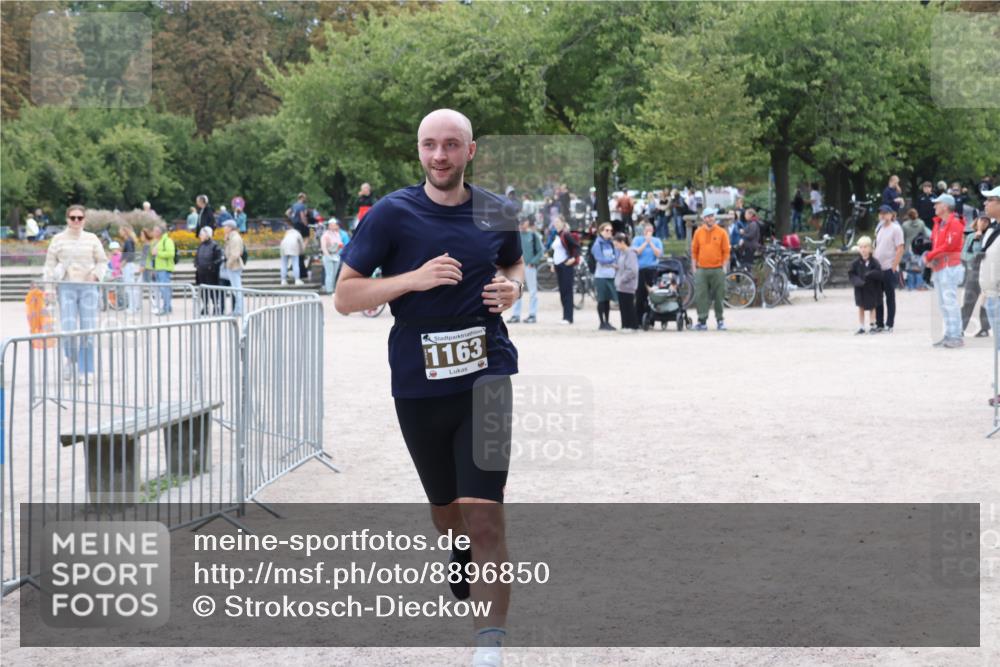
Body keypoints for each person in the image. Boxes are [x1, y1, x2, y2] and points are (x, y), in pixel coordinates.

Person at [334, 109, 523, 667]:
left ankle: (488, 649)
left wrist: (510, 291)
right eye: (429, 145)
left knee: (485, 511)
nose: (439, 155)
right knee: (447, 509)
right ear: (418, 151)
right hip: (419, 387)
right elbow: (345, 297)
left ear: (471, 151)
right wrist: (412, 279)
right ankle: (455, 541)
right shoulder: (393, 214)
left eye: (451, 145)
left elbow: (513, 268)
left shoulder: (496, 210)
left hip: (488, 376)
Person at [42, 205, 107, 384]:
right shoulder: (58, 239)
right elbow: (49, 265)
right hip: (66, 287)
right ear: (67, 219)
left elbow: (102, 261)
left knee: (88, 330)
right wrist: (48, 289)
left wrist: (96, 275)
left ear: (85, 219)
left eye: (80, 218)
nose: (76, 221)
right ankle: (70, 359)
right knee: (68, 330)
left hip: (88, 287)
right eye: (73, 218)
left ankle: (86, 370)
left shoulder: (92, 238)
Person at [925, 193, 966, 348]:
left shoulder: (954, 223)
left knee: (950, 302)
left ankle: (955, 336)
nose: (934, 206)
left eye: (937, 203)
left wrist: (930, 256)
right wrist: (932, 258)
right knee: (944, 303)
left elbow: (949, 246)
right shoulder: (939, 224)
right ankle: (950, 334)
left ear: (945, 206)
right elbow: (938, 245)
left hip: (950, 267)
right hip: (941, 266)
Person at [690, 208, 730, 331]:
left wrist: (724, 267)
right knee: (701, 296)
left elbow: (726, 251)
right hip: (701, 269)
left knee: (719, 295)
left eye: (712, 216)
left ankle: (720, 321)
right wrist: (694, 268)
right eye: (707, 216)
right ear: (703, 219)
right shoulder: (698, 232)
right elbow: (694, 251)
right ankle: (702, 322)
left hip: (717, 269)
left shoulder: (722, 232)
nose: (710, 218)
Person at [873, 205, 905, 333]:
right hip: (878, 268)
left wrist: (894, 266)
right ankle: (879, 323)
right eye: (881, 213)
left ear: (891, 215)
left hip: (889, 268)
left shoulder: (896, 229)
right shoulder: (879, 228)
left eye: (885, 213)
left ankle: (889, 324)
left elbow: (900, 248)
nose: (883, 215)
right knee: (877, 297)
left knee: (890, 297)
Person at [508, 218, 543, 324]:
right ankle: (516, 315)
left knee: (533, 291)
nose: (522, 225)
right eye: (520, 223)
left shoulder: (533, 235)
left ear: (527, 223)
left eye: (523, 223)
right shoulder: (515, 236)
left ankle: (532, 314)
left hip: (529, 267)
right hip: (518, 268)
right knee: (517, 290)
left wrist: (533, 262)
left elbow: (540, 251)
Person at [961, 216, 992, 337]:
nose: (984, 223)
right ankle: (960, 328)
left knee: (986, 302)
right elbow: (964, 255)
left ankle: (985, 328)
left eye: (986, 221)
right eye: (982, 220)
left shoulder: (991, 237)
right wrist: (976, 239)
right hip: (973, 273)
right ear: (977, 222)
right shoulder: (970, 237)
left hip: (988, 273)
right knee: (968, 301)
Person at [849, 236, 883, 335]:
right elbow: (851, 274)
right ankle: (861, 326)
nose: (863, 250)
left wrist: (871, 274)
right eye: (861, 247)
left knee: (873, 307)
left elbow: (879, 273)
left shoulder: (874, 262)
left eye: (865, 247)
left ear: (870, 248)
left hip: (872, 289)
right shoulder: (855, 263)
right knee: (861, 307)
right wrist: (857, 281)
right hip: (860, 289)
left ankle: (872, 325)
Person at [631, 222, 663, 325]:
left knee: (652, 295)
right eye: (647, 230)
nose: (649, 232)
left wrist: (651, 243)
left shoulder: (657, 241)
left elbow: (658, 254)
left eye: (651, 230)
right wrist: (645, 242)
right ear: (643, 231)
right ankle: (638, 319)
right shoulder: (637, 240)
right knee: (640, 294)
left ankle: (651, 319)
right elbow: (637, 252)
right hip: (640, 270)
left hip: (652, 269)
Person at [551, 216, 580, 324]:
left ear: (563, 223)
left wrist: (572, 259)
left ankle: (568, 317)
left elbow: (576, 247)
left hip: (566, 266)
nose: (556, 224)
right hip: (558, 266)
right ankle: (565, 316)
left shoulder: (566, 234)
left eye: (558, 222)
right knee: (563, 291)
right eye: (555, 222)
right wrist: (553, 263)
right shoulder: (557, 235)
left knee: (567, 291)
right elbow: (554, 251)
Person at [590, 222, 618, 331]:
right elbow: (600, 259)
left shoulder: (611, 243)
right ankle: (601, 322)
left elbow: (617, 254)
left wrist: (611, 262)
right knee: (601, 299)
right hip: (601, 276)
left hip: (611, 275)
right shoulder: (597, 244)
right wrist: (612, 261)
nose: (609, 232)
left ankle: (607, 321)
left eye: (611, 230)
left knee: (607, 300)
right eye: (607, 230)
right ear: (601, 231)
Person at [194, 226, 224, 314]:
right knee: (203, 292)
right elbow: (197, 257)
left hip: (211, 273)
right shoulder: (200, 245)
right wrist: (196, 264)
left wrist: (212, 266)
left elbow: (219, 259)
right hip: (201, 272)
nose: (200, 236)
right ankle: (205, 307)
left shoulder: (215, 245)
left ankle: (216, 307)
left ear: (207, 235)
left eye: (201, 234)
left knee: (213, 291)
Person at [612, 232, 639, 331]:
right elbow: (624, 267)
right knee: (623, 306)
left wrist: (622, 279)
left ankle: (631, 325)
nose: (616, 247)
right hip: (621, 284)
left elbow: (632, 270)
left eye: (616, 244)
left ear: (622, 242)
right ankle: (625, 325)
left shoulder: (630, 253)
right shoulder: (622, 253)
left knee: (628, 305)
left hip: (628, 284)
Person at [901, 209, 931, 290]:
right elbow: (925, 235)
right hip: (918, 247)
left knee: (908, 268)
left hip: (908, 248)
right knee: (919, 267)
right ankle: (919, 284)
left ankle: (910, 285)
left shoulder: (904, 225)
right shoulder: (921, 223)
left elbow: (903, 237)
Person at [149, 224, 176, 315]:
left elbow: (171, 254)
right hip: (158, 268)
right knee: (163, 289)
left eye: (154, 230)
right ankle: (167, 307)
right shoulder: (157, 241)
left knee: (165, 289)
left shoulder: (167, 241)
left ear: (159, 232)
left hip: (164, 269)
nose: (153, 232)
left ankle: (166, 308)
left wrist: (158, 253)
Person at [220, 219, 245, 316]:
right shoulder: (231, 237)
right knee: (235, 289)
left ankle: (239, 310)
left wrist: (228, 264)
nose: (223, 228)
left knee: (237, 289)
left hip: (234, 266)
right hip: (233, 266)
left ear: (230, 227)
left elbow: (235, 254)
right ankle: (238, 309)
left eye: (225, 226)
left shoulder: (235, 238)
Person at [118, 223, 140, 314]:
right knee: (130, 287)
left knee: (129, 287)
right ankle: (133, 306)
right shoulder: (129, 241)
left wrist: (122, 263)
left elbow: (130, 254)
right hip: (128, 265)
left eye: (121, 230)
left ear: (124, 231)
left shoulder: (128, 241)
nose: (119, 232)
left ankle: (132, 307)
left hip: (128, 265)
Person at [320, 219, 344, 294]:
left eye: (335, 224)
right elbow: (323, 247)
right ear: (330, 226)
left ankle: (333, 289)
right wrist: (328, 255)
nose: (335, 226)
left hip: (336, 255)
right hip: (328, 255)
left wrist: (338, 247)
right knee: (329, 273)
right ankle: (329, 290)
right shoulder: (325, 235)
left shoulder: (337, 234)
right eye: (333, 225)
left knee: (334, 274)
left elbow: (340, 244)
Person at [279, 222, 304, 286]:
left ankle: (283, 280)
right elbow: (301, 245)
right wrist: (301, 252)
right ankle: (297, 280)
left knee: (284, 264)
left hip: (283, 246)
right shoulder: (298, 233)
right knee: (295, 263)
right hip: (293, 246)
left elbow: (284, 240)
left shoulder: (287, 232)